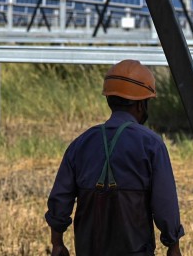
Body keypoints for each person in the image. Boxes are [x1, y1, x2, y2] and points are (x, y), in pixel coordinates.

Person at [45, 60, 185, 256]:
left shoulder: (81, 143)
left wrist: (57, 242)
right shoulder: (152, 145)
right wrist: (173, 245)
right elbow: (165, 204)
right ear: (140, 104)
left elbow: (60, 198)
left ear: (109, 99)